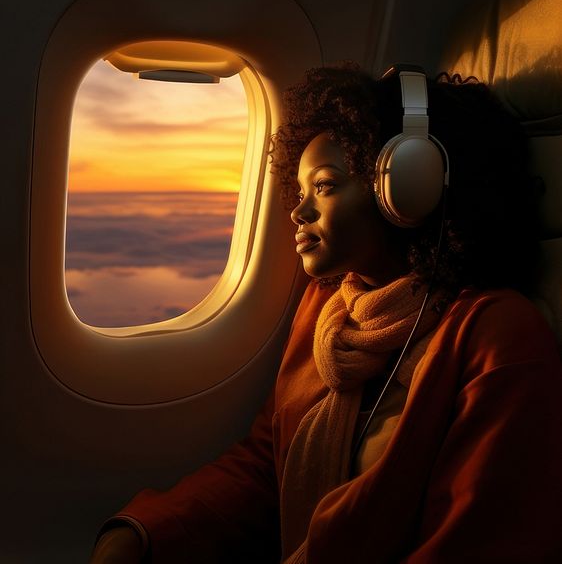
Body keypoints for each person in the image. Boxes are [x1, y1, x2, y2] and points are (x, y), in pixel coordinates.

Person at [90, 64, 562, 563]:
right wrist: (143, 536)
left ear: (411, 186)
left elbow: (481, 542)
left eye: (325, 186)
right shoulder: (329, 311)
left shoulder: (497, 338)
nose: (298, 212)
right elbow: (269, 466)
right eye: (299, 192)